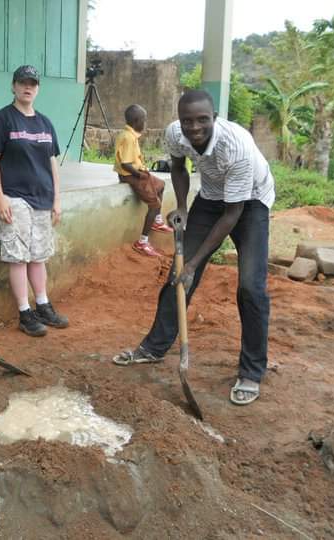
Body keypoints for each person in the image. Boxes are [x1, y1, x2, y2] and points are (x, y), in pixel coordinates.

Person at [112, 89, 275, 407]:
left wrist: (194, 263)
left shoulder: (236, 148)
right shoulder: (176, 133)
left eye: (202, 120)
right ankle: (154, 347)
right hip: (211, 198)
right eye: (188, 121)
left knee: (251, 289)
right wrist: (184, 208)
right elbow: (178, 167)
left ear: (214, 118)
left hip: (250, 203)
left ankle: (252, 371)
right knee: (178, 277)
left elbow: (232, 214)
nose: (195, 127)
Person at [0, 65, 68, 337]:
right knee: (18, 257)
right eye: (22, 83)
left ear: (38, 88)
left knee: (38, 256)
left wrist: (57, 199)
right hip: (14, 197)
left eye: (32, 83)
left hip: (43, 198)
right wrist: (0, 198)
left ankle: (43, 304)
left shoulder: (45, 123)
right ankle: (24, 312)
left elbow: (52, 163)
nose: (27, 87)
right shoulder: (2, 119)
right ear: (13, 86)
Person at [114, 104, 173, 257]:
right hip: (131, 175)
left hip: (137, 172)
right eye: (144, 121)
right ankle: (142, 242)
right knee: (155, 204)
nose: (145, 124)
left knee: (161, 185)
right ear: (136, 121)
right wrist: (139, 175)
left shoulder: (130, 136)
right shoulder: (127, 137)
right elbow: (125, 163)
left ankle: (157, 221)